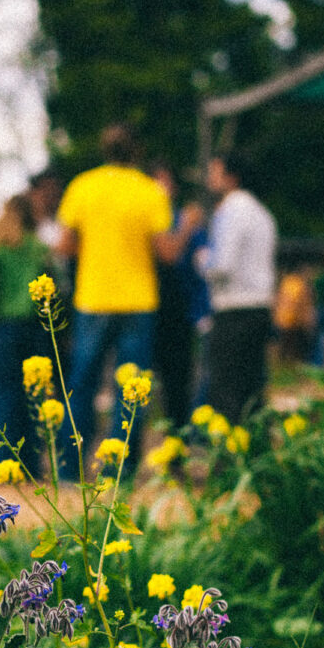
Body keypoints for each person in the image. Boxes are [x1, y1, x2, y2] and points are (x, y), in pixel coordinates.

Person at [55, 124, 203, 480]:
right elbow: (167, 253)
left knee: (82, 383)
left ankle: (70, 469)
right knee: (130, 388)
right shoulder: (150, 191)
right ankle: (118, 470)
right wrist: (188, 227)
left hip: (92, 297)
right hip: (138, 301)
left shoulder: (82, 185)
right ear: (136, 152)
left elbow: (63, 245)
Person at [197, 151, 277, 424]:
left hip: (232, 310)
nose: (209, 178)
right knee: (252, 391)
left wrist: (202, 260)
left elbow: (221, 265)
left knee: (226, 390)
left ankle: (226, 459)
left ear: (231, 177)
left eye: (214, 172)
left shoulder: (230, 210)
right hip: (260, 307)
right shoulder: (262, 212)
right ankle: (255, 454)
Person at [0, 194, 51, 476]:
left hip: (4, 329)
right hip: (35, 328)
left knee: (4, 395)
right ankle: (31, 466)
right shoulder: (40, 248)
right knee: (34, 396)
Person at [150, 163, 211, 431]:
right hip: (144, 308)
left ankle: (178, 442)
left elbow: (199, 269)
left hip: (178, 310)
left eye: (168, 183)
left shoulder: (182, 220)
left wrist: (201, 311)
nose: (166, 189)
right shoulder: (146, 218)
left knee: (178, 380)